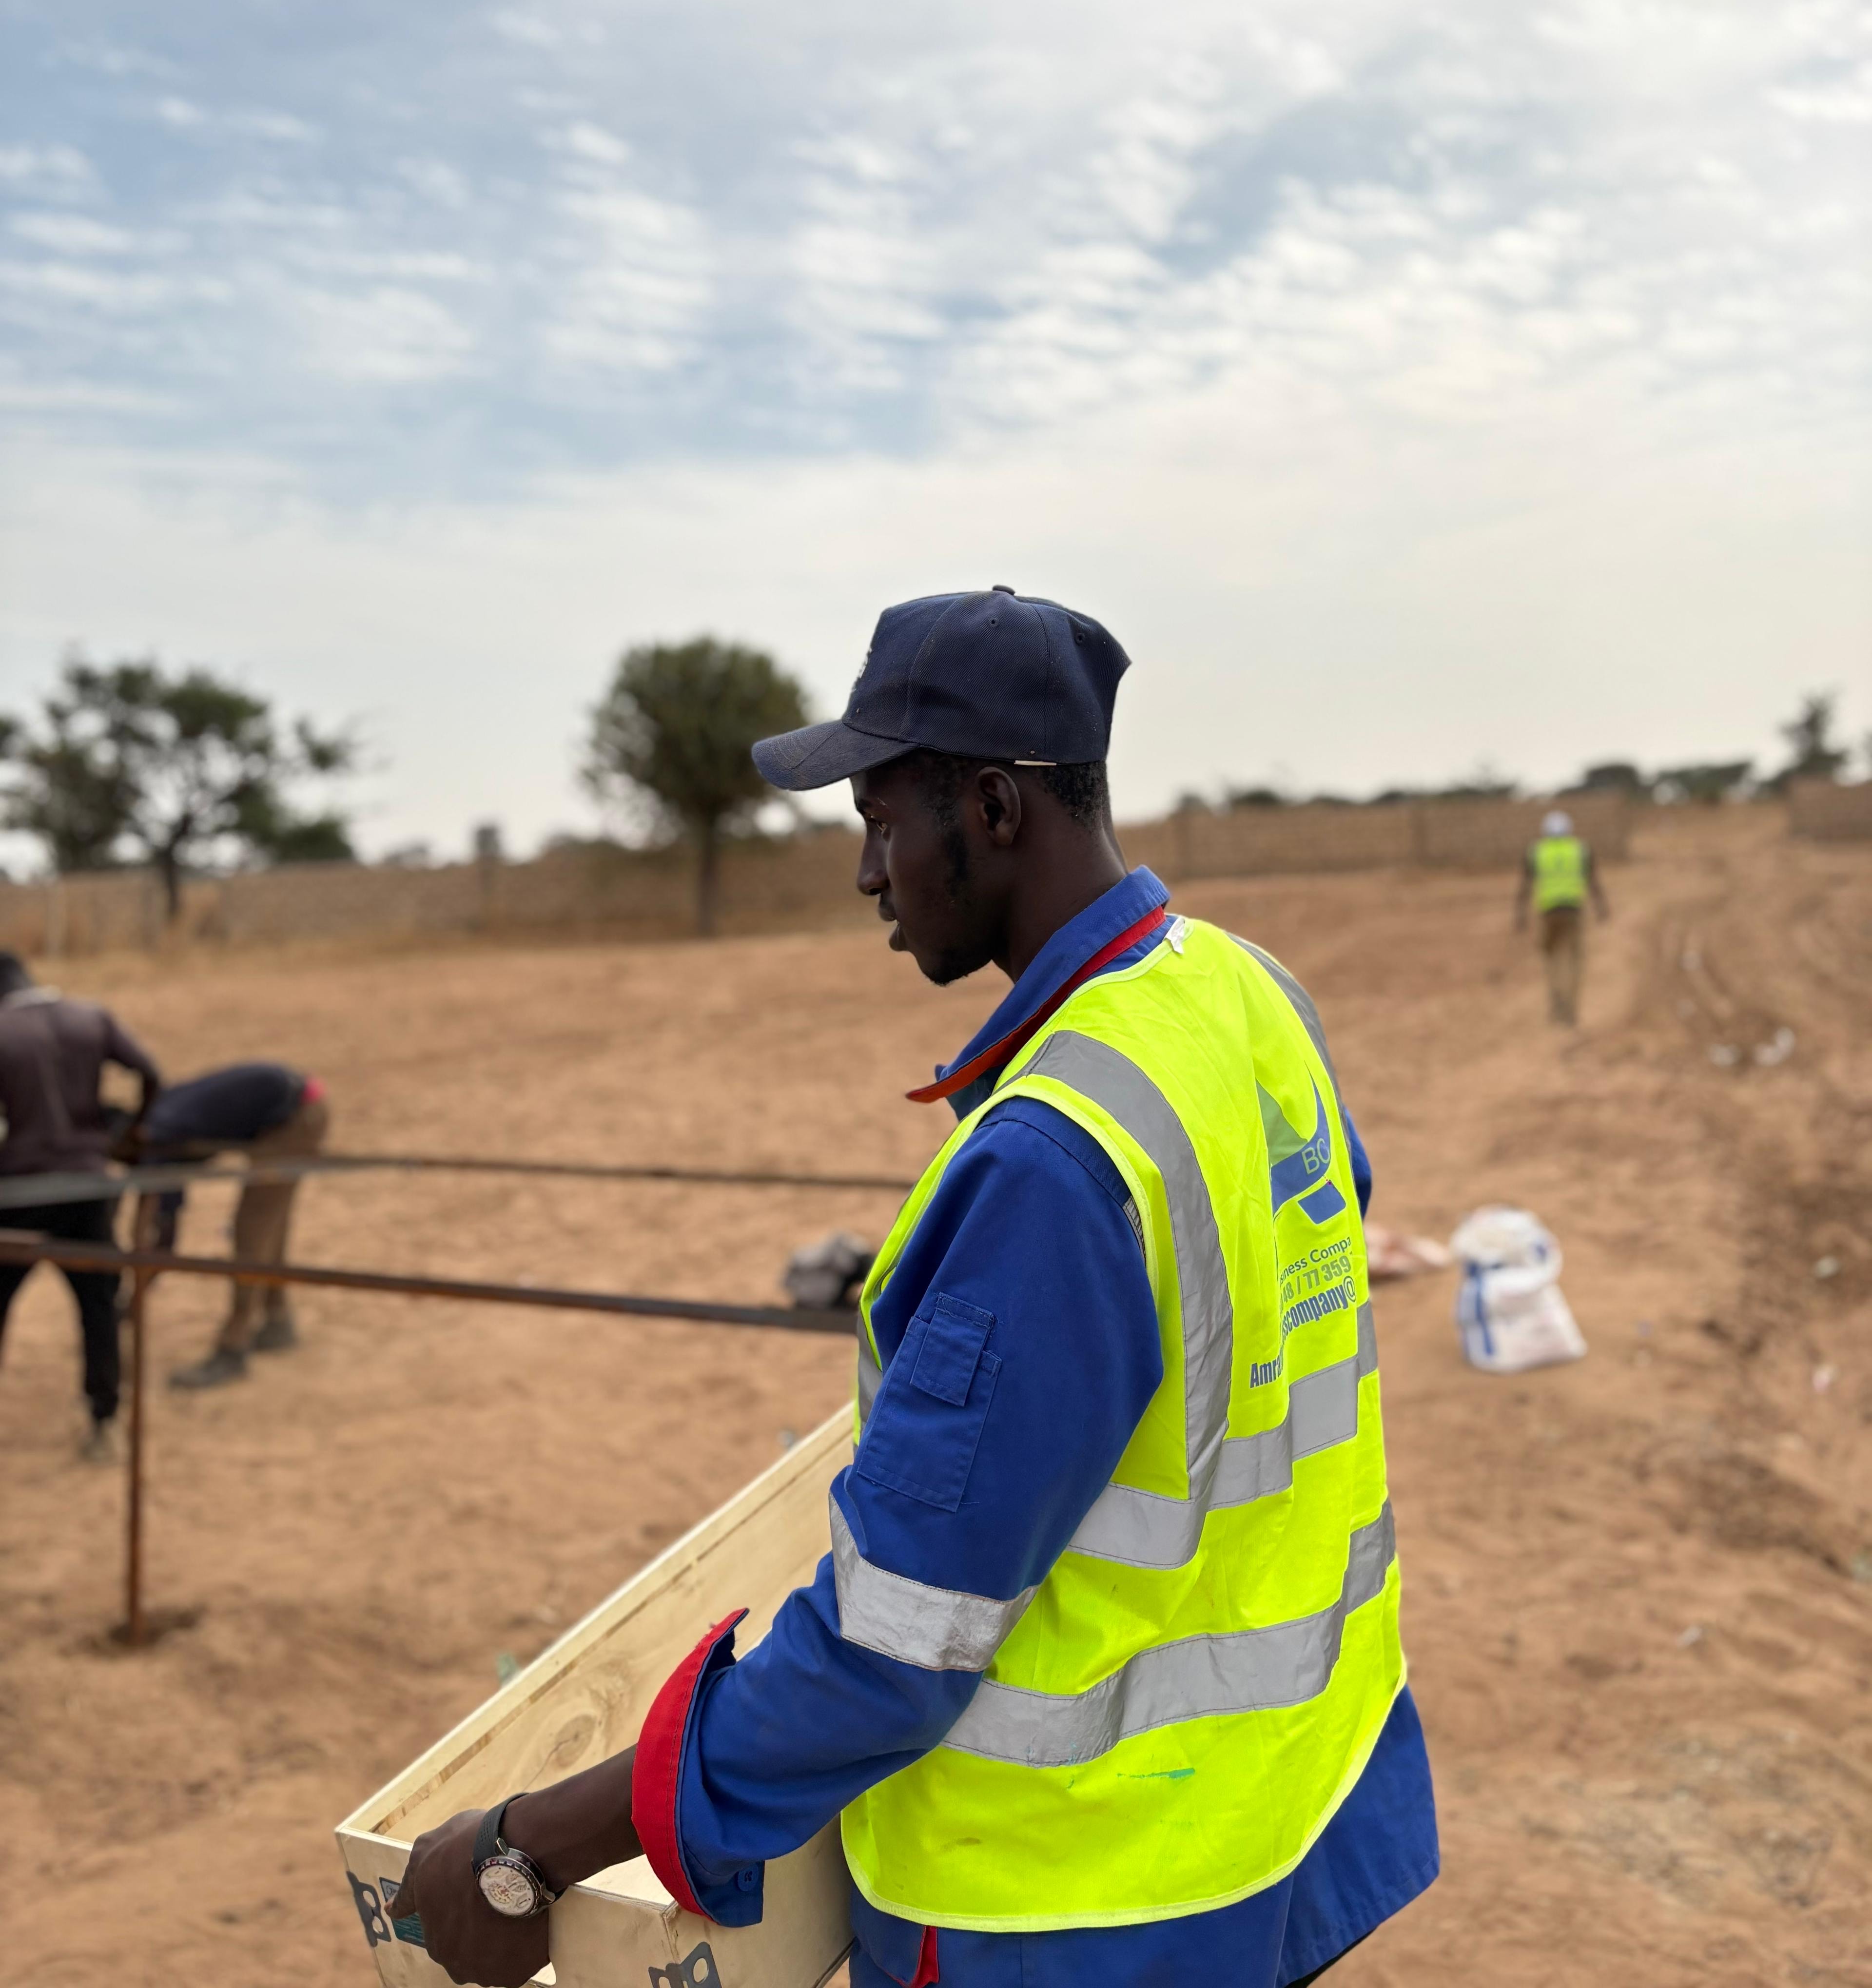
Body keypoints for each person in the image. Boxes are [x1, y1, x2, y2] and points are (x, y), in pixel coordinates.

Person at [393, 589, 1438, 1988]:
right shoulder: (1251, 995)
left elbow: (890, 1654)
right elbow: (1299, 1258)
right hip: (1281, 1814)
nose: (870, 876)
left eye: (885, 823)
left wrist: (529, 1849)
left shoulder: (1055, 1163)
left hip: (1077, 1904)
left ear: (998, 810)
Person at [0, 949, 162, 1460]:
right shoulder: (89, 1016)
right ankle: (103, 1420)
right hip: (89, 1184)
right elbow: (151, 1072)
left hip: (20, 1190)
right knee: (97, 1305)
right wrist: (133, 1132)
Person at [135, 1063, 331, 1388]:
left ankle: (232, 1349)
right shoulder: (163, 1113)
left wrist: (145, 1278)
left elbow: (166, 1224)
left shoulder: (161, 1132)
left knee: (251, 1233)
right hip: (295, 1108)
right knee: (270, 1224)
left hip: (294, 1120)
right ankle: (278, 1318)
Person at [1513, 808, 1610, 1025]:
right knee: (1575, 960)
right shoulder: (1581, 850)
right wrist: (1602, 908)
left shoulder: (1536, 851)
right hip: (1573, 911)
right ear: (1568, 830)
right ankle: (1571, 1011)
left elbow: (1525, 886)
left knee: (1552, 959)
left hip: (1548, 912)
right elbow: (1593, 882)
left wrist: (1520, 915)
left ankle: (1557, 1006)